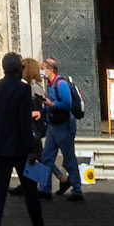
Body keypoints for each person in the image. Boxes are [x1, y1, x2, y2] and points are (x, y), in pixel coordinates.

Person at [0, 51, 56, 226]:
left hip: (0, 148)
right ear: (19, 69)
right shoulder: (23, 89)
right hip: (20, 149)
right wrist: (30, 149)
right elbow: (24, 122)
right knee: (31, 193)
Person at [38, 58, 83, 203]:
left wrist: (51, 104)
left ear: (50, 69)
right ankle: (44, 189)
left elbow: (67, 104)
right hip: (53, 125)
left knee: (69, 158)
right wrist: (42, 111)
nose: (41, 71)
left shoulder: (61, 84)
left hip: (64, 125)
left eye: (43, 68)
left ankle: (77, 190)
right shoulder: (50, 85)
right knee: (46, 157)